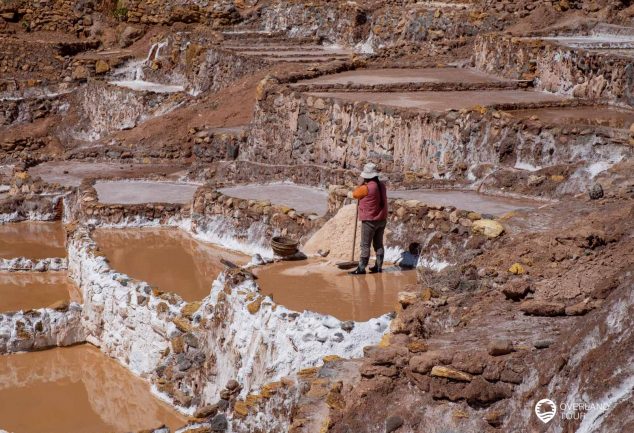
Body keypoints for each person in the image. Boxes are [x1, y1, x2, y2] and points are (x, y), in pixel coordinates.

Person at [348, 162, 388, 275]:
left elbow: (355, 194)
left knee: (365, 244)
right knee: (378, 244)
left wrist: (360, 184)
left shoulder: (366, 188)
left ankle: (361, 268)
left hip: (369, 220)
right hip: (382, 219)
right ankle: (379, 267)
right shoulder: (382, 186)